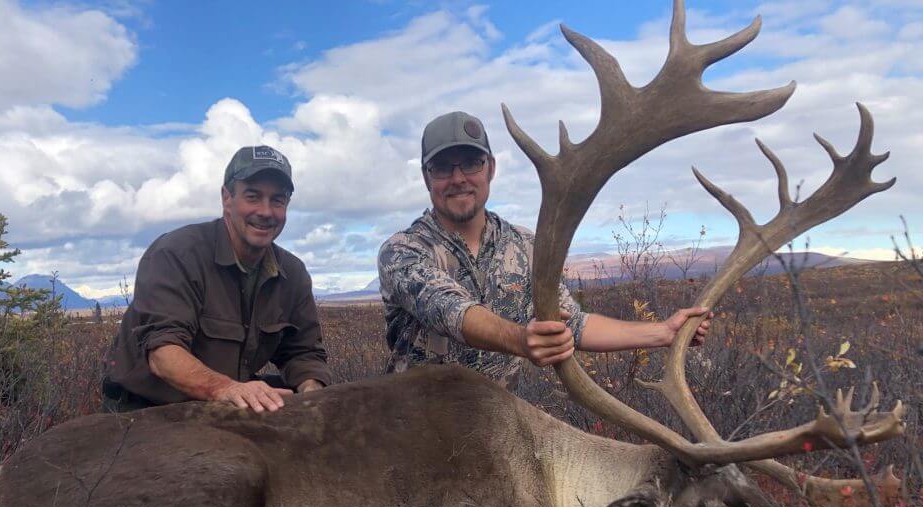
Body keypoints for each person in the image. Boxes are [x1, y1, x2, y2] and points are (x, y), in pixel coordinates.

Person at [378, 111, 712, 386]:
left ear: (490, 169)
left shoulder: (525, 246)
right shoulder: (403, 252)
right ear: (426, 177)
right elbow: (447, 309)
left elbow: (573, 324)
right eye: (442, 168)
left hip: (496, 427)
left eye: (470, 163)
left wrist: (664, 332)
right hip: (414, 433)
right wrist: (521, 341)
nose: (458, 178)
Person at [103, 145, 329, 413]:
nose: (266, 212)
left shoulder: (292, 273)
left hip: (225, 407)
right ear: (227, 199)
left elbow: (302, 352)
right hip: (147, 408)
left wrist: (311, 392)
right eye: (253, 196)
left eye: (277, 200)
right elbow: (163, 353)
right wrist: (228, 389)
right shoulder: (176, 254)